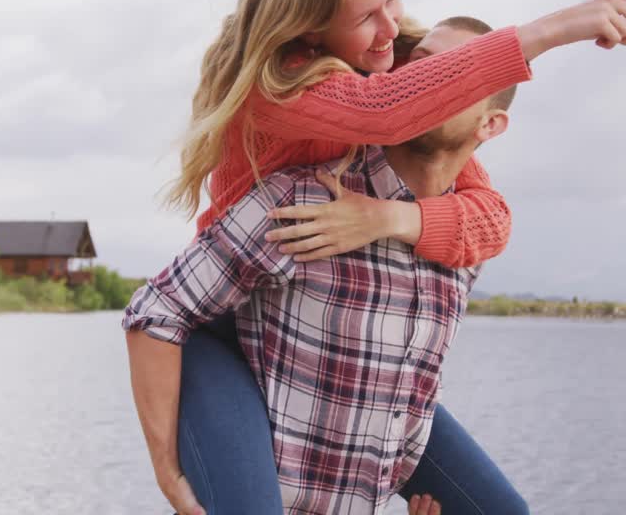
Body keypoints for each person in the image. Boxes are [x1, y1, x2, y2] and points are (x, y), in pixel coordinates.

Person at [135, 0, 626, 513]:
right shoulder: (288, 84)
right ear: (312, 29)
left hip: (322, 324)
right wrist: (555, 29)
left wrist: (388, 218)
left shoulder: (390, 69)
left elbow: (488, 212)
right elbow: (390, 110)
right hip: (227, 311)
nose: (392, 28)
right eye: (367, 15)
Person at [124, 54, 518, 512]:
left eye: (456, 78)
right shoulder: (305, 199)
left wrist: (392, 217)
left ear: (490, 124)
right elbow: (156, 311)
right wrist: (167, 471)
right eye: (422, 68)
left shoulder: (463, 247)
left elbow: (398, 406)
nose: (426, 85)